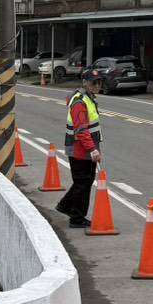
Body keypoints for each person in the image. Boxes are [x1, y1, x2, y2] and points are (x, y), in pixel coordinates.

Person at [55, 69, 103, 229]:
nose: (97, 85)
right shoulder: (80, 102)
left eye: (99, 82)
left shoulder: (88, 98)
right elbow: (81, 130)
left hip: (85, 148)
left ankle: (65, 206)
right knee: (83, 183)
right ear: (85, 83)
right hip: (80, 150)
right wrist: (92, 149)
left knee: (83, 182)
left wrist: (94, 148)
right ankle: (77, 218)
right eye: (93, 82)